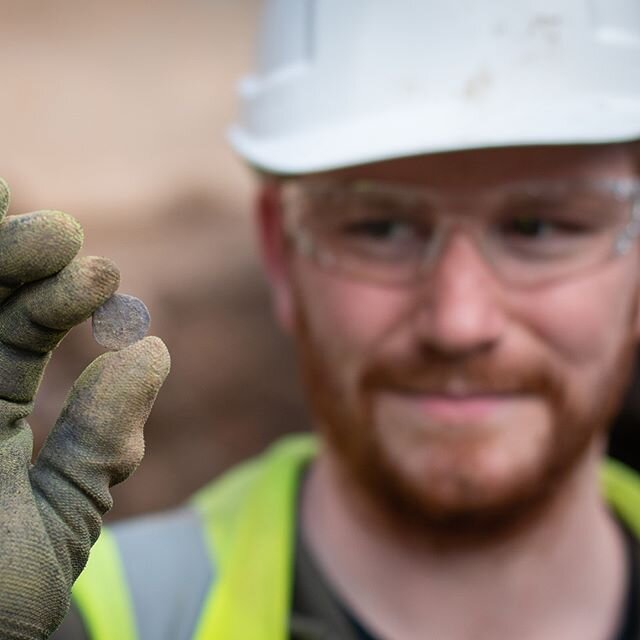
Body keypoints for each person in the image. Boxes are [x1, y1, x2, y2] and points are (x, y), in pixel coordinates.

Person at [5, 0, 640, 638]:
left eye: (538, 227)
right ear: (281, 254)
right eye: (380, 228)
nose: (459, 322)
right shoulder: (82, 611)